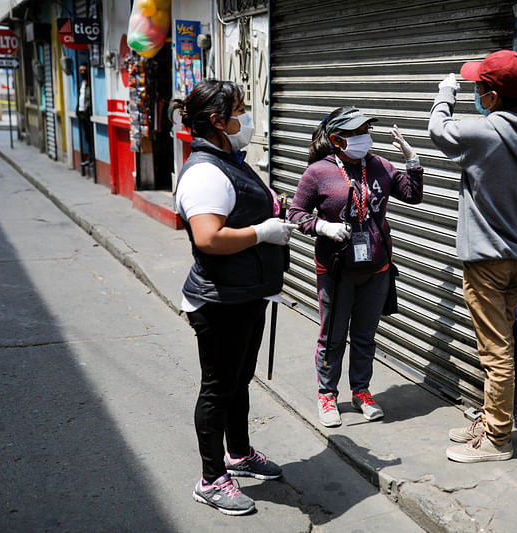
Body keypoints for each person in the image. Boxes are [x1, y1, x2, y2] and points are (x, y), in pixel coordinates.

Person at [172, 79, 297, 515]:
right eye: (240, 109)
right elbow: (208, 237)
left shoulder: (230, 161)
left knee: (239, 379)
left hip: (246, 295)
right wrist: (262, 231)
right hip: (220, 302)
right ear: (217, 121)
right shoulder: (206, 171)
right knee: (218, 389)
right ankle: (211, 480)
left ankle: (239, 454)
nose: (247, 117)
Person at [428, 51, 517, 462]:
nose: (475, 92)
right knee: (500, 343)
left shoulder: (483, 134)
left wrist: (444, 95)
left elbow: (437, 129)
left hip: (486, 261)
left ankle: (498, 437)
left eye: (479, 88)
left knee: (494, 350)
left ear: (494, 96)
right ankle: (491, 417)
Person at [288, 107, 423, 428]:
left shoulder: (380, 166)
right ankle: (327, 394)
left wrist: (413, 160)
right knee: (332, 337)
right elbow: (295, 214)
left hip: (376, 267)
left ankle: (361, 391)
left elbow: (413, 195)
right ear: (337, 139)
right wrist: (322, 227)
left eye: (366, 130)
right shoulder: (318, 172)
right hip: (336, 270)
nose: (365, 137)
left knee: (365, 336)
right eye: (357, 132)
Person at [76, 63, 94, 171]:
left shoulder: (90, 84)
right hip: (81, 112)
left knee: (91, 137)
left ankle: (92, 158)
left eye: (84, 70)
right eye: (80, 70)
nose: (82, 72)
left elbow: (88, 98)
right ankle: (89, 157)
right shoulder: (81, 84)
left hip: (88, 114)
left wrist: (88, 110)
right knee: (87, 137)